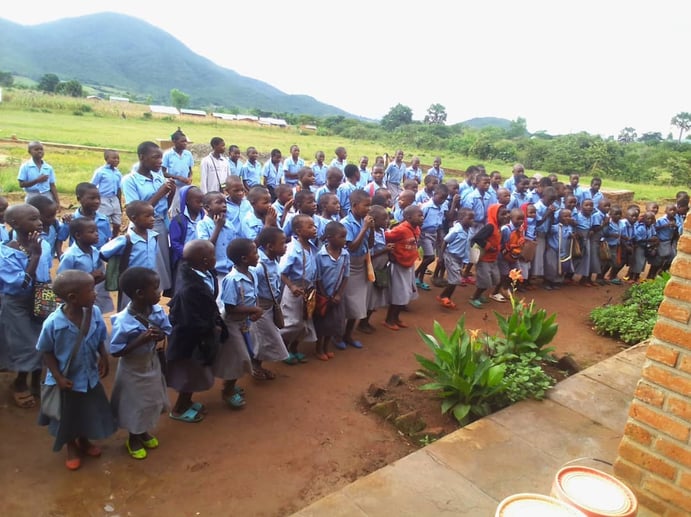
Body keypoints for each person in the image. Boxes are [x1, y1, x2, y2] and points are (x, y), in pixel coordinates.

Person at [36, 270, 116, 470]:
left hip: (88, 376)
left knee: (86, 411)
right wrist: (58, 377)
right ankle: (71, 446)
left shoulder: (94, 313)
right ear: (73, 297)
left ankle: (84, 441)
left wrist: (103, 357)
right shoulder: (53, 323)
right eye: (90, 290)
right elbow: (46, 352)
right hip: (67, 381)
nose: (95, 293)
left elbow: (99, 337)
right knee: (68, 416)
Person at [110, 267, 171, 460]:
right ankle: (133, 438)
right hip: (133, 370)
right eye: (155, 288)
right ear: (140, 294)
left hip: (151, 364)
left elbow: (167, 329)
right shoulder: (123, 321)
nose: (160, 292)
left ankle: (143, 431)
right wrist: (140, 341)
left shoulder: (157, 311)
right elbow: (116, 351)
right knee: (135, 404)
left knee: (150, 401)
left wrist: (161, 334)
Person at [0, 203, 53, 408]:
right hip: (18, 303)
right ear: (14, 223)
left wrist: (48, 296)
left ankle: (36, 382)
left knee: (43, 340)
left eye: (38, 218)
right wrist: (35, 255)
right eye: (32, 219)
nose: (39, 223)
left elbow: (46, 272)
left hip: (43, 295)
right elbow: (21, 284)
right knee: (26, 345)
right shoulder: (6, 253)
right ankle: (19, 383)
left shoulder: (44, 244)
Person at [166, 240, 226, 422]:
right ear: (205, 260)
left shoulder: (205, 273)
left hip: (201, 334)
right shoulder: (189, 287)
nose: (216, 258)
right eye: (214, 255)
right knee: (189, 375)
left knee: (195, 372)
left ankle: (187, 402)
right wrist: (210, 327)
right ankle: (179, 408)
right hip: (190, 339)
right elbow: (189, 319)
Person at [121, 141, 175, 293]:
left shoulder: (158, 176)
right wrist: (161, 192)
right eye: (155, 157)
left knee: (159, 271)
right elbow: (136, 211)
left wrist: (171, 192)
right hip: (142, 229)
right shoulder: (130, 180)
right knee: (146, 269)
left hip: (160, 225)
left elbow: (165, 205)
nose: (160, 161)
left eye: (161, 158)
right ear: (142, 157)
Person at [214, 238, 259, 409]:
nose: (257, 255)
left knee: (241, 356)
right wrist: (253, 310)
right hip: (232, 324)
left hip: (244, 323)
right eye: (254, 252)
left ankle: (230, 385)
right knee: (239, 358)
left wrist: (252, 312)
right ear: (244, 259)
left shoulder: (251, 273)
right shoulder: (232, 280)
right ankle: (228, 391)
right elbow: (231, 308)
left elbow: (251, 297)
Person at [100, 201, 159, 311]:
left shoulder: (154, 237)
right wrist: (116, 263)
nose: (152, 219)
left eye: (153, 216)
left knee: (147, 307)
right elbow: (103, 252)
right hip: (131, 282)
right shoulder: (126, 240)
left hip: (148, 280)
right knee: (128, 308)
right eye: (147, 216)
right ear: (134, 219)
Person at [250, 227, 290, 378]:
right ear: (270, 246)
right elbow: (251, 288)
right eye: (282, 243)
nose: (286, 246)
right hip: (260, 308)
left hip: (271, 306)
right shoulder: (259, 265)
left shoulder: (274, 259)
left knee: (263, 339)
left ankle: (257, 365)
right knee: (265, 338)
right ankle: (254, 366)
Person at [279, 214, 318, 363]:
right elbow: (281, 272)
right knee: (292, 323)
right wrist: (292, 286)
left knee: (304, 323)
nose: (314, 229)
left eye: (314, 226)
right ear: (298, 231)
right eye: (310, 227)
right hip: (294, 290)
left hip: (308, 290)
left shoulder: (312, 247)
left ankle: (294, 349)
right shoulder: (292, 249)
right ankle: (283, 349)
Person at [338, 190, 373, 349]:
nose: (369, 209)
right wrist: (365, 228)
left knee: (358, 303)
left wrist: (370, 229)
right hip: (349, 265)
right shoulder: (346, 223)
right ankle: (338, 336)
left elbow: (370, 244)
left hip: (362, 264)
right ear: (354, 205)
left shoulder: (364, 221)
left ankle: (348, 335)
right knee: (346, 303)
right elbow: (351, 247)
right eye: (366, 205)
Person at [58, 218, 114, 314]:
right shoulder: (70, 256)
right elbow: (62, 280)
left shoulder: (96, 252)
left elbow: (100, 275)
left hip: (93, 295)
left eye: (97, 231)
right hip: (77, 298)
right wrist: (89, 277)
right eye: (91, 232)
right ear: (78, 235)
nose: (97, 234)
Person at [313, 222, 350, 360]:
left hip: (337, 296)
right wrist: (325, 295)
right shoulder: (320, 255)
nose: (344, 240)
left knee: (334, 323)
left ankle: (326, 347)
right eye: (341, 237)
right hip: (324, 297)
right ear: (329, 238)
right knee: (322, 324)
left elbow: (346, 276)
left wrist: (339, 294)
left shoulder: (345, 255)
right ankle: (318, 349)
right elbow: (318, 278)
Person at [383, 205, 422, 329]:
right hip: (399, 265)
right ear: (408, 217)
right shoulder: (400, 229)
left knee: (406, 293)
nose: (422, 218)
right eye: (419, 216)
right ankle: (389, 320)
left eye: (422, 215)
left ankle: (396, 318)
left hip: (409, 264)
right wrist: (391, 253)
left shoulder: (416, 229)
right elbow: (385, 237)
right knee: (399, 294)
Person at [358, 205, 393, 333]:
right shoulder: (369, 233)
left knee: (377, 296)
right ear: (374, 220)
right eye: (384, 219)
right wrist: (385, 250)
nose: (387, 221)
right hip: (372, 268)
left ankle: (366, 322)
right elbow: (369, 254)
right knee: (371, 297)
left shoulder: (383, 231)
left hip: (381, 268)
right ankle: (363, 323)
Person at [468, 204, 506, 309]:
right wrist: (489, 247)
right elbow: (476, 238)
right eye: (502, 214)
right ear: (494, 214)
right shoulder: (490, 226)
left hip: (493, 259)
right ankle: (474, 297)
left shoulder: (498, 227)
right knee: (484, 281)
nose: (506, 216)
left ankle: (479, 295)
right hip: (484, 258)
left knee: (495, 279)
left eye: (507, 213)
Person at [168, 185, 205, 291]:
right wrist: (187, 254)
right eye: (198, 202)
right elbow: (174, 243)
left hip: (202, 259)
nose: (201, 205)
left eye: (203, 202)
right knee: (183, 285)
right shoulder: (179, 220)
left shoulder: (204, 218)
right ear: (187, 201)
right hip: (184, 260)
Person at [437, 208, 474, 309]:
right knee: (455, 280)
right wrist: (441, 257)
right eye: (469, 218)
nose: (472, 221)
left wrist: (466, 260)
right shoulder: (456, 230)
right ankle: (442, 296)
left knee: (455, 280)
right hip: (450, 256)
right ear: (461, 218)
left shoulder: (469, 230)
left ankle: (447, 297)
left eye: (473, 219)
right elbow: (445, 242)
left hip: (459, 258)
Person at [196, 191, 236, 282]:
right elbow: (206, 248)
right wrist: (218, 227)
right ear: (207, 207)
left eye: (225, 202)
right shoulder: (202, 225)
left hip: (230, 271)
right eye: (219, 202)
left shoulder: (229, 225)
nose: (224, 205)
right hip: (214, 272)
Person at [415, 184, 449, 291]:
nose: (442, 200)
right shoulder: (426, 207)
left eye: (444, 198)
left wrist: (439, 236)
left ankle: (419, 279)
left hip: (433, 233)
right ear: (434, 194)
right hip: (423, 234)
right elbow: (418, 222)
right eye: (440, 198)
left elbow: (439, 223)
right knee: (430, 257)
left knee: (426, 257)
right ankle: (415, 274)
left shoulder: (442, 207)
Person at [162, 128, 194, 217]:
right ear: (174, 141)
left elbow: (190, 170)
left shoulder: (188, 154)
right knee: (175, 209)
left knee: (185, 207)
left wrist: (190, 178)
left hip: (185, 185)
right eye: (182, 141)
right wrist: (178, 177)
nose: (185, 144)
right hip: (174, 186)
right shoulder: (168, 154)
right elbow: (163, 172)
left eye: (186, 141)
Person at [91, 149, 123, 237]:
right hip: (103, 198)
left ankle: (114, 238)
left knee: (117, 223)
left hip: (114, 199)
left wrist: (119, 203)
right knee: (104, 222)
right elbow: (92, 186)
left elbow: (119, 188)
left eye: (118, 158)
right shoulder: (100, 172)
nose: (116, 160)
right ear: (106, 159)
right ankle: (104, 238)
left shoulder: (118, 173)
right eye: (114, 158)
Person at [18, 141, 60, 205]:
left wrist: (57, 202)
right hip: (32, 196)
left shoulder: (48, 167)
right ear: (29, 152)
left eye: (41, 149)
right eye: (36, 149)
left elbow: (52, 185)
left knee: (47, 214)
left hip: (46, 196)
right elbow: (21, 184)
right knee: (32, 214)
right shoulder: (25, 167)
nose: (39, 151)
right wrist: (37, 180)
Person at [27, 194, 68, 260]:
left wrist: (66, 224)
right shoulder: (32, 233)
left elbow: (61, 234)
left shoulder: (54, 224)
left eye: (54, 215)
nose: (53, 218)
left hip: (48, 260)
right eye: (49, 216)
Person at [73, 182, 112, 250]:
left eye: (98, 198)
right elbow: (59, 240)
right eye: (92, 198)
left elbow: (107, 240)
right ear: (79, 199)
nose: (97, 201)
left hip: (100, 258)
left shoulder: (104, 219)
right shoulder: (71, 220)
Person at [544, 209, 575, 290]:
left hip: (564, 250)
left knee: (561, 266)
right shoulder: (555, 227)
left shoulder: (569, 228)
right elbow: (548, 233)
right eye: (565, 216)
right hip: (553, 248)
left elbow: (568, 236)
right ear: (560, 218)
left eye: (569, 216)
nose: (568, 218)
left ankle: (556, 282)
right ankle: (548, 282)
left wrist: (571, 236)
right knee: (551, 266)